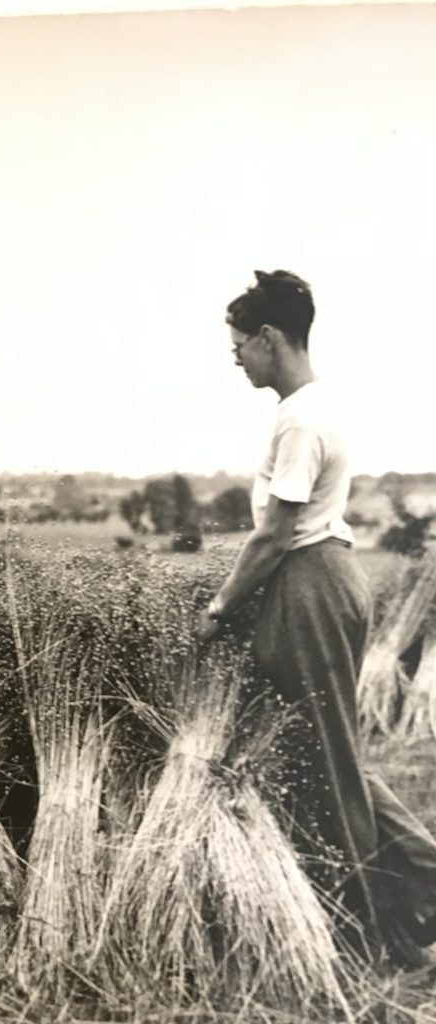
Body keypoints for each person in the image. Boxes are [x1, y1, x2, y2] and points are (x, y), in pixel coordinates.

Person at [196, 270, 436, 969]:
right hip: (324, 581)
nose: (236, 358)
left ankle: (372, 931)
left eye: (239, 345)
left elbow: (274, 535)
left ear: (270, 338)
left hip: (308, 586)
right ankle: (412, 901)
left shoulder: (300, 418)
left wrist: (220, 606)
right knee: (332, 757)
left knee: (324, 767)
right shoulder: (312, 407)